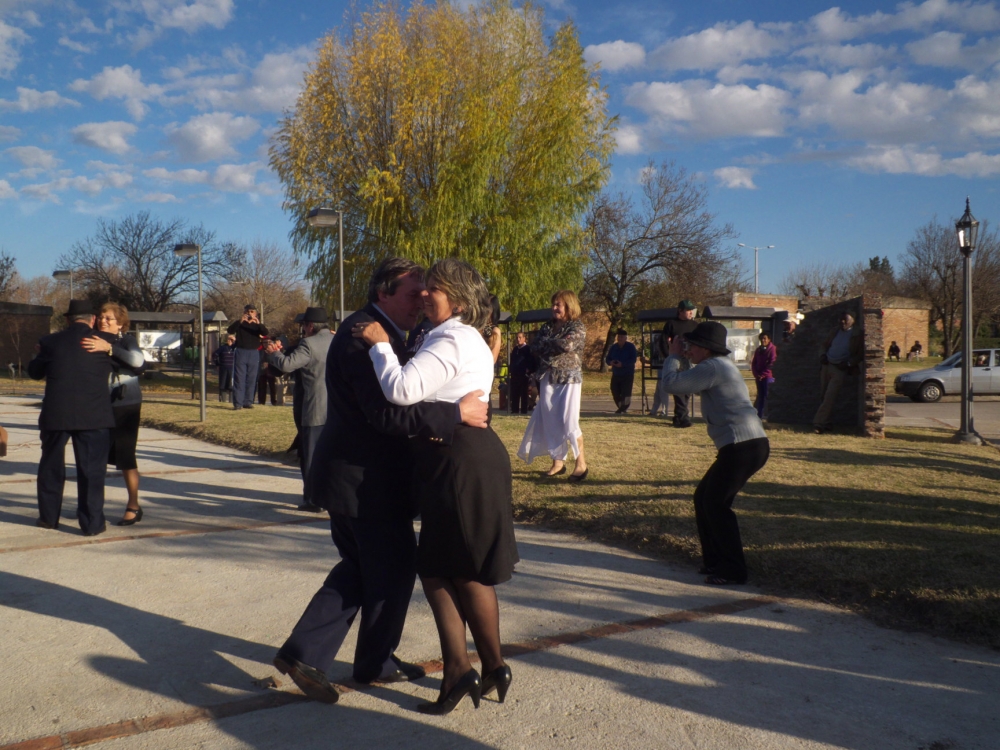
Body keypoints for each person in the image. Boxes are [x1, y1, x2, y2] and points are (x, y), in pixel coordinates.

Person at [273, 258, 489, 704]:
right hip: (363, 481)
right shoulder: (362, 334)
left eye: (428, 291)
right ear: (384, 292)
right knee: (385, 568)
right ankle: (325, 655)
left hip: (363, 477)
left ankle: (361, 659)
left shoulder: (386, 331)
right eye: (414, 292)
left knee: (371, 568)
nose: (423, 299)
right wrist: (455, 413)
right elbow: (387, 412)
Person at [355, 258, 518, 715]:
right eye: (424, 287)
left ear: (460, 300)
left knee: (455, 569)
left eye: (435, 289)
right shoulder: (461, 337)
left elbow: (402, 391)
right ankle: (483, 666)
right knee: (449, 567)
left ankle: (464, 670)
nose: (425, 294)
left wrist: (380, 347)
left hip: (459, 461)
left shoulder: (450, 338)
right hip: (461, 456)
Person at [660, 321, 769, 586]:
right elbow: (686, 383)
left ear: (705, 348)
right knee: (704, 498)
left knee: (715, 504)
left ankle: (733, 569)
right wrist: (683, 358)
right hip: (745, 445)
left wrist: (674, 355)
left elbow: (672, 385)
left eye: (691, 345)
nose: (688, 349)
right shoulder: (715, 367)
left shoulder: (713, 367)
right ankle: (715, 562)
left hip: (743, 446)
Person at [28, 299, 116, 536]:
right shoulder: (106, 342)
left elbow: (35, 373)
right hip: (94, 415)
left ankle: (48, 518)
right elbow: (137, 366)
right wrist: (110, 348)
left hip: (57, 414)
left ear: (67, 320)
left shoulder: (50, 341)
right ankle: (92, 524)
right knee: (92, 472)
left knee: (51, 467)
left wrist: (39, 355)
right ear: (94, 320)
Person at [81, 302, 146, 526]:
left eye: (109, 318)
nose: (103, 320)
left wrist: (109, 348)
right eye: (101, 317)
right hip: (99, 404)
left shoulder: (125, 340)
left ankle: (134, 505)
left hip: (125, 405)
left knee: (126, 456)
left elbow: (138, 362)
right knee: (96, 456)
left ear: (120, 323)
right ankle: (92, 507)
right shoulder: (91, 338)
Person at [266, 307, 333, 513]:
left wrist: (273, 353)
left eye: (304, 325)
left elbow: (287, 365)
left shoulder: (308, 343)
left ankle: (313, 499)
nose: (303, 329)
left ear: (310, 325)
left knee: (311, 457)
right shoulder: (335, 340)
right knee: (330, 456)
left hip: (313, 410)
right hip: (334, 410)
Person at [517, 290, 588, 481]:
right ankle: (558, 462)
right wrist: (550, 343)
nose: (555, 308)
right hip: (547, 377)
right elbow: (534, 347)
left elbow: (567, 345)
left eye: (559, 304)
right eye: (554, 304)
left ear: (569, 306)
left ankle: (581, 464)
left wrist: (547, 344)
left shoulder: (577, 326)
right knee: (550, 420)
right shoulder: (548, 327)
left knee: (569, 420)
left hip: (568, 379)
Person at [813, 311, 864, 434]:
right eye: (841, 320)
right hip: (827, 365)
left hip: (840, 368)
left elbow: (859, 355)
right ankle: (827, 422)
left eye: (845, 320)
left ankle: (818, 424)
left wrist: (848, 364)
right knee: (823, 395)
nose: (842, 322)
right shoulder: (834, 331)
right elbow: (824, 345)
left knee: (830, 396)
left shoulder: (858, 335)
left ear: (853, 320)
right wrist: (822, 356)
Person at [660, 300, 699, 427]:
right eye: (688, 310)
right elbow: (663, 342)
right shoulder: (671, 324)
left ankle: (679, 416)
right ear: (680, 311)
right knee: (678, 387)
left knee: (687, 388)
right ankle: (683, 417)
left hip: (689, 360)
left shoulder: (694, 325)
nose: (690, 312)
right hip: (675, 360)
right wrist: (669, 358)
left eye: (691, 310)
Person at [227, 304, 267, 410]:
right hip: (241, 352)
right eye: (247, 311)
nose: (250, 314)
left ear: (256, 313)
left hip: (253, 353)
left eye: (252, 311)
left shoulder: (257, 326)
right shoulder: (240, 324)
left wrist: (259, 324)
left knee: (252, 378)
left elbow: (265, 332)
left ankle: (248, 401)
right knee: (239, 378)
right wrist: (240, 321)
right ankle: (238, 403)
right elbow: (230, 330)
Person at [605, 328, 638, 414]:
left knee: (626, 392)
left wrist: (622, 364)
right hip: (616, 373)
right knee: (614, 390)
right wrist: (610, 362)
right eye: (618, 337)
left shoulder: (630, 347)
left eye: (622, 337)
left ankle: (623, 409)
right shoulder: (614, 347)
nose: (620, 339)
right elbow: (608, 358)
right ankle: (621, 407)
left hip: (627, 373)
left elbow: (633, 360)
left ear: (625, 338)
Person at [750, 332, 777, 420]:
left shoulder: (773, 349)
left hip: (768, 377)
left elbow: (772, 363)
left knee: (768, 396)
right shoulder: (758, 350)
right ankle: (759, 415)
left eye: (765, 338)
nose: (763, 340)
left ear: (769, 339)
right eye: (761, 338)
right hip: (758, 377)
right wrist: (756, 374)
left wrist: (764, 374)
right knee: (760, 396)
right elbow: (754, 363)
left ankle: (770, 415)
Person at [508, 331, 535, 415]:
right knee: (515, 393)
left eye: (520, 337)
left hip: (523, 375)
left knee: (524, 393)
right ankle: (514, 409)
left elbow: (531, 361)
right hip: (515, 374)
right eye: (517, 337)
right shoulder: (515, 349)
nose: (518, 339)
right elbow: (512, 360)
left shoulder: (527, 349)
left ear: (524, 338)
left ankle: (524, 410)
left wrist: (528, 370)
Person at [212, 334, 236, 402]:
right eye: (228, 339)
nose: (229, 341)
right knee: (223, 384)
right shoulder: (223, 347)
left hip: (232, 369)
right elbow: (214, 355)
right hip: (223, 368)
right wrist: (217, 364)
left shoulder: (235, 348)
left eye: (231, 340)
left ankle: (231, 401)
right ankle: (223, 400)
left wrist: (235, 340)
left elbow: (240, 344)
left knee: (231, 385)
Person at [257, 339, 280, 406]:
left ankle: (273, 401)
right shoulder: (260, 351)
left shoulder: (272, 351)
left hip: (270, 371)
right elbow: (260, 359)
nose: (266, 344)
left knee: (272, 387)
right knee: (262, 387)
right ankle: (261, 401)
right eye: (264, 343)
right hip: (262, 371)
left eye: (268, 343)